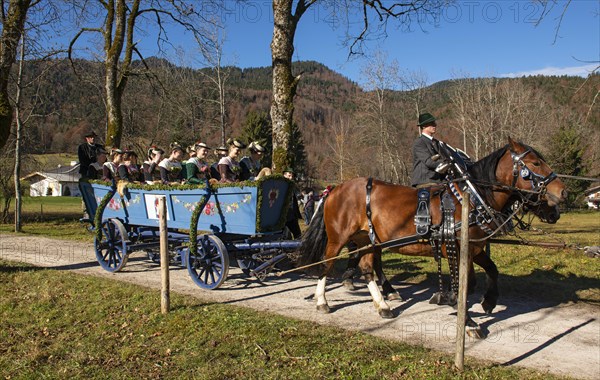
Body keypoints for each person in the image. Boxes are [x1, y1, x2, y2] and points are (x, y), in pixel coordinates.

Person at [411, 112, 445, 187]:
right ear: (423, 126)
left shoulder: (436, 142)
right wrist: (445, 164)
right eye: (431, 124)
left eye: (434, 123)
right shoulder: (419, 142)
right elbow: (428, 161)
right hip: (425, 181)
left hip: (436, 180)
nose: (435, 125)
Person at [283, 168, 302, 239]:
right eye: (289, 176)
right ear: (284, 175)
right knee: (287, 236)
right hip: (283, 216)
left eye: (292, 176)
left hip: (292, 215)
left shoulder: (292, 187)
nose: (291, 178)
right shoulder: (280, 186)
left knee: (298, 235)